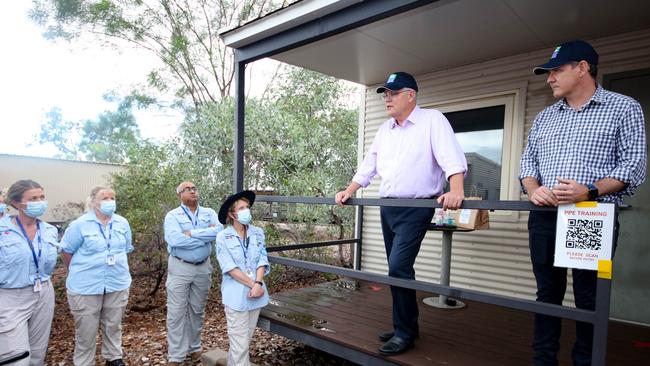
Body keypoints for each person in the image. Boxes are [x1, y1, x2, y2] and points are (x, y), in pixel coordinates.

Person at [520, 40, 646, 366]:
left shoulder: (624, 107)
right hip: (545, 216)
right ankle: (543, 360)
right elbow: (527, 166)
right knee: (547, 294)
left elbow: (633, 166)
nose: (549, 78)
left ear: (582, 68)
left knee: (589, 297)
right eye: (548, 73)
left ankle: (585, 361)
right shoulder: (545, 118)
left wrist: (588, 191)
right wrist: (533, 189)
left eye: (557, 70)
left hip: (591, 215)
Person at [335, 71, 467, 355]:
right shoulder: (385, 129)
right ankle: (405, 325)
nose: (387, 99)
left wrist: (456, 189)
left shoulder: (432, 120)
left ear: (411, 95)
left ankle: (405, 332)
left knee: (397, 267)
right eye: (385, 94)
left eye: (393, 93)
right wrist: (350, 189)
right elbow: (369, 164)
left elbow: (450, 157)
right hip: (388, 207)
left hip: (416, 207)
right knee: (399, 270)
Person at [61, 186, 133, 366]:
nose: (109, 201)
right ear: (93, 201)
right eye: (104, 198)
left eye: (112, 198)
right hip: (86, 286)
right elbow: (67, 252)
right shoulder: (79, 225)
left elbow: (126, 248)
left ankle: (113, 357)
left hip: (117, 282)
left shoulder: (122, 223)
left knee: (113, 325)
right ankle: (84, 362)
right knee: (86, 330)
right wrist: (80, 271)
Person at [0, 179, 59, 365]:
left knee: (37, 352)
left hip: (43, 292)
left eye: (42, 197)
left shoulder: (49, 230)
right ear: (17, 203)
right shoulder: (3, 230)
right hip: (10, 296)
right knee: (16, 357)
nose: (40, 202)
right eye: (33, 198)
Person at [164, 182, 222, 365]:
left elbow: (219, 232)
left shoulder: (209, 213)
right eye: (187, 189)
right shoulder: (173, 216)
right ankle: (176, 355)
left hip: (203, 267)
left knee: (197, 310)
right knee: (176, 312)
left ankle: (194, 348)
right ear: (179, 194)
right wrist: (204, 238)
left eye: (195, 188)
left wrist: (191, 234)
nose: (192, 191)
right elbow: (174, 239)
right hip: (180, 267)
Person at [215, 190, 269, 366]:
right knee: (240, 344)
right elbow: (229, 267)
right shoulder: (223, 236)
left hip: (257, 293)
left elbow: (262, 259)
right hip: (236, 295)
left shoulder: (258, 232)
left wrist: (258, 283)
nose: (247, 210)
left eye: (247, 207)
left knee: (244, 342)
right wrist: (252, 284)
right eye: (242, 208)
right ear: (232, 214)